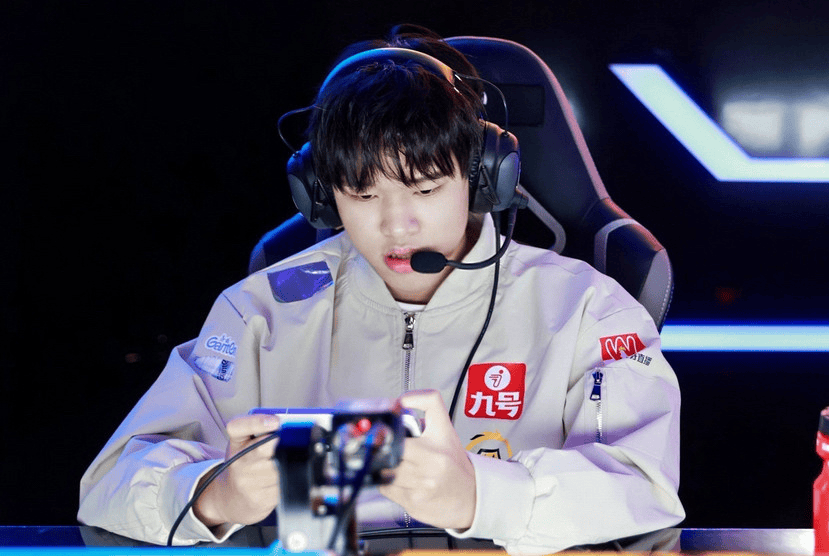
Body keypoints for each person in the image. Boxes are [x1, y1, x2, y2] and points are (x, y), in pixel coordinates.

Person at [78, 25, 685, 554]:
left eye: (425, 189)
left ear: (482, 177)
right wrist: (214, 495)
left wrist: (480, 496)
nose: (396, 226)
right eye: (363, 195)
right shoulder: (259, 312)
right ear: (321, 194)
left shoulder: (587, 309)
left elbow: (646, 489)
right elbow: (108, 486)